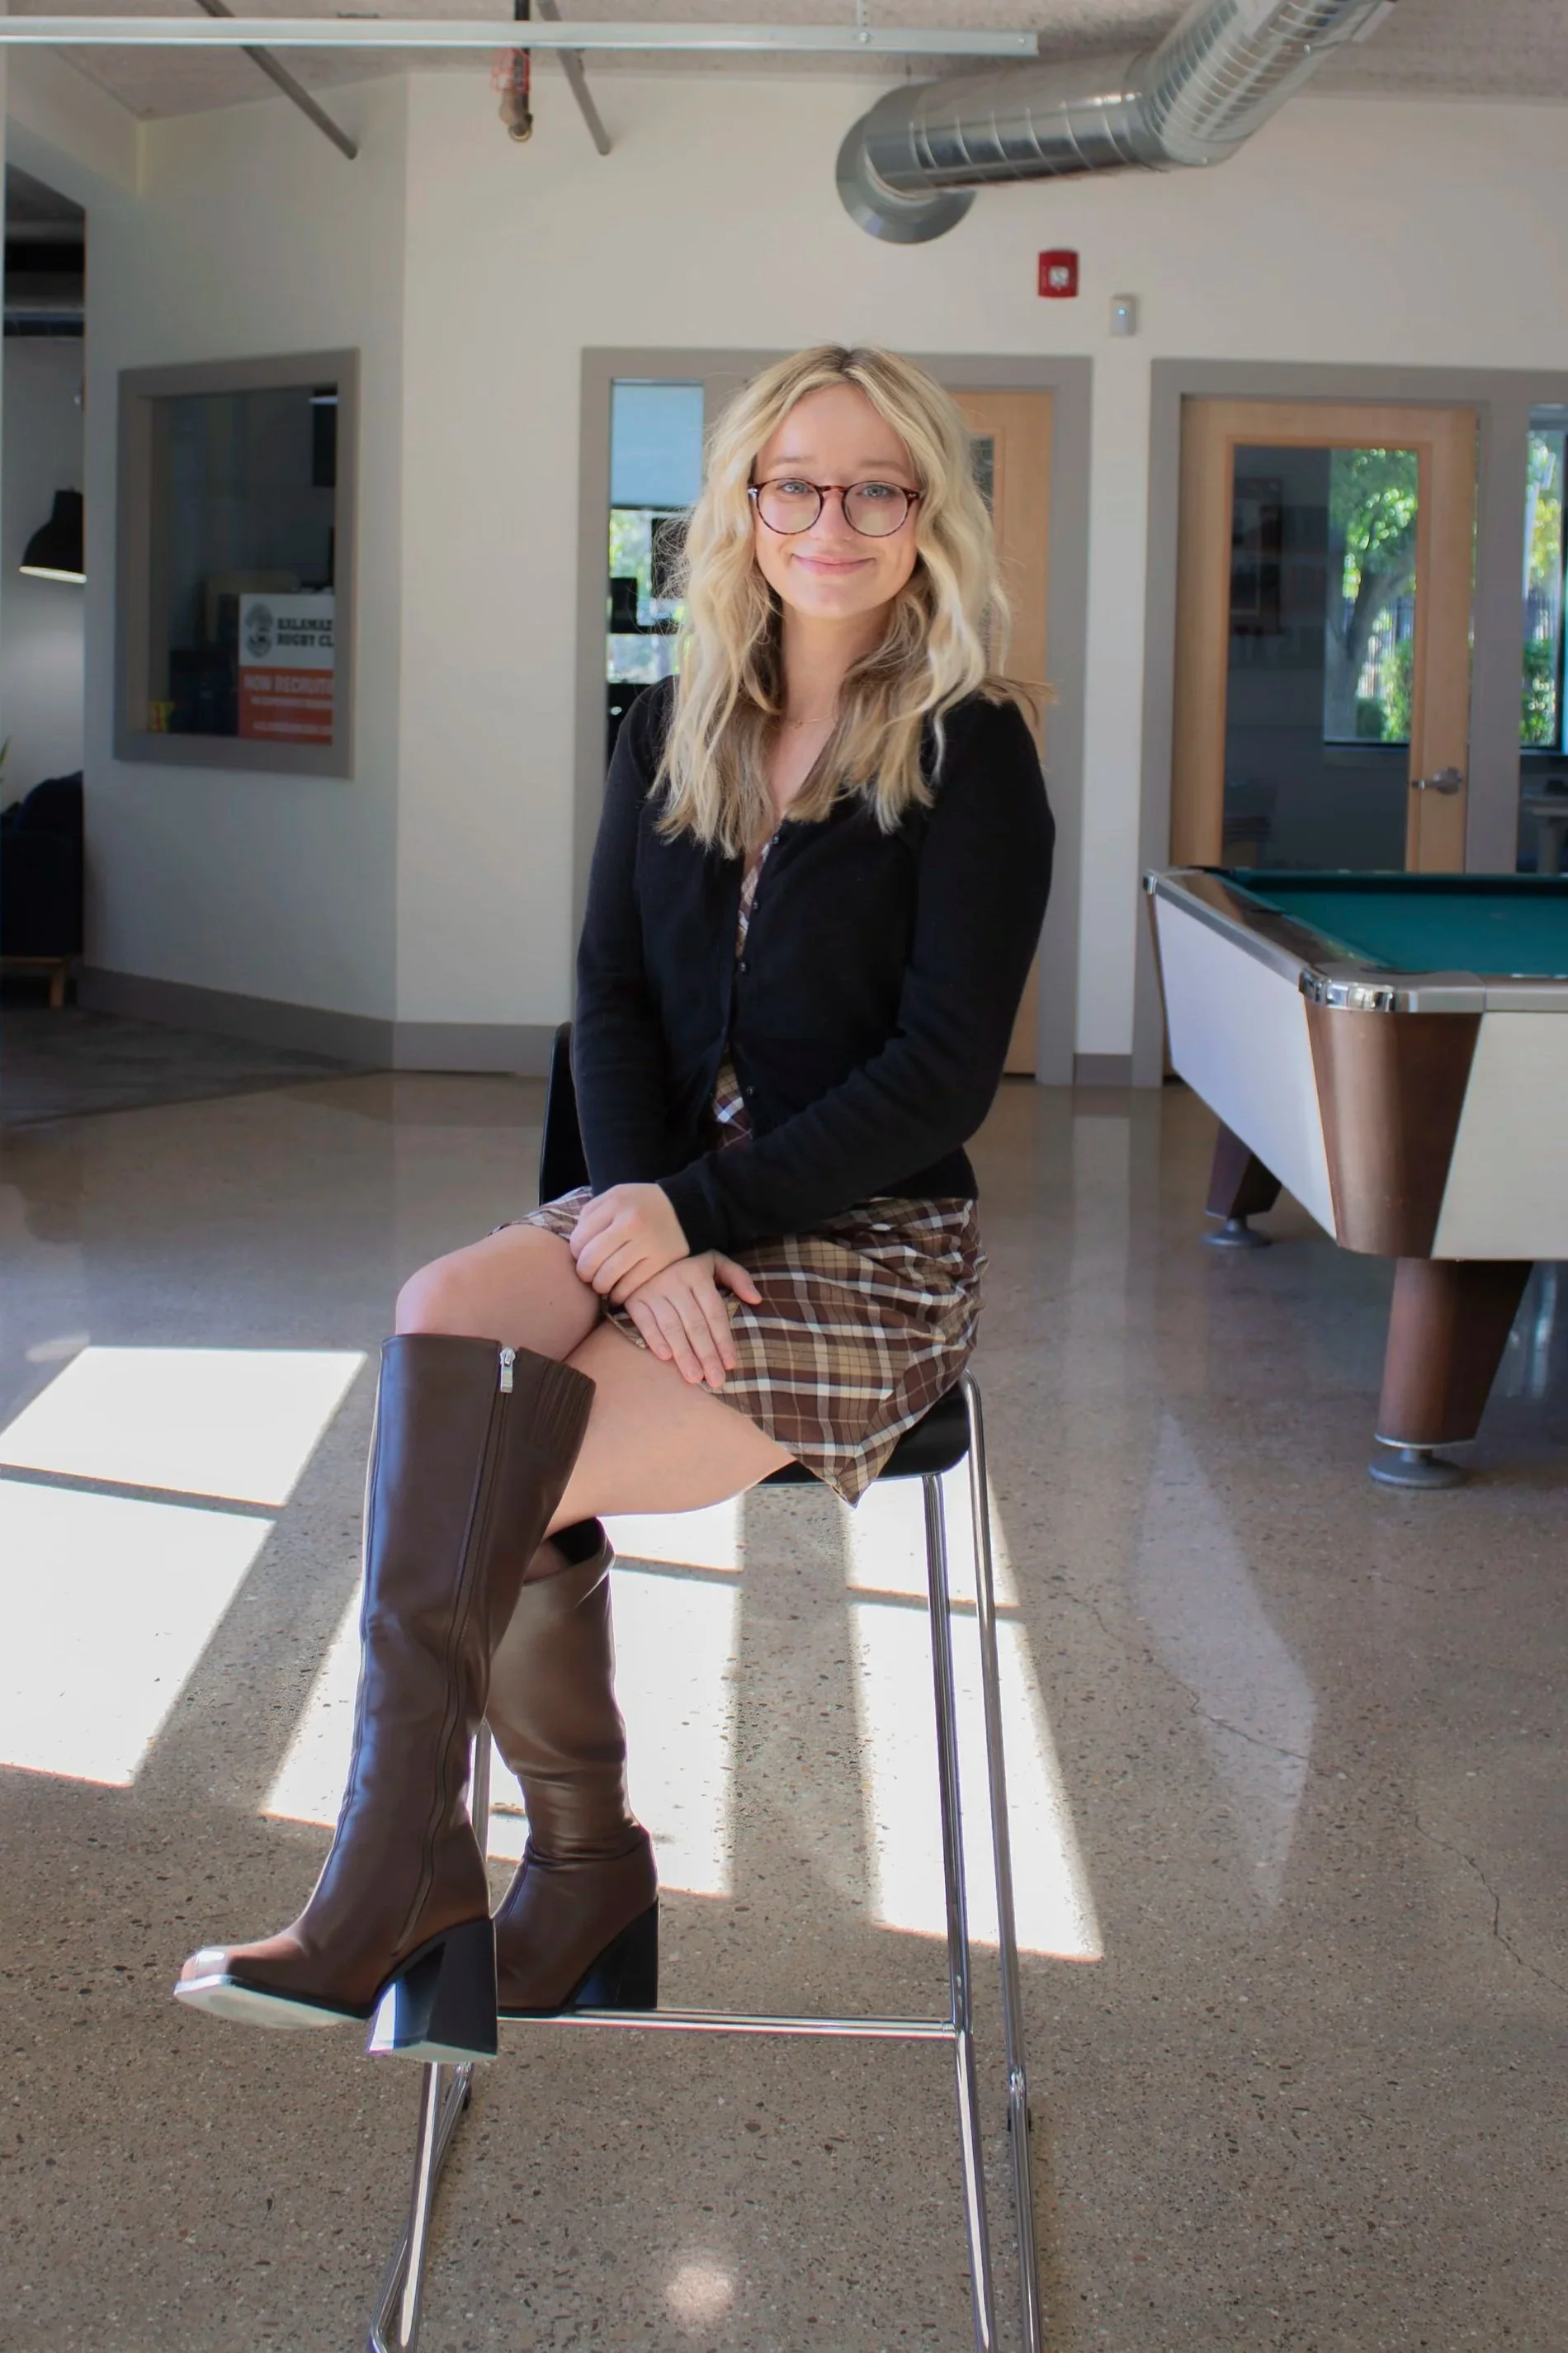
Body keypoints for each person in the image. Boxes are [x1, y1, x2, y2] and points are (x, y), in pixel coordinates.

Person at [174, 343, 1054, 2061]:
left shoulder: (972, 747)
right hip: (651, 1191)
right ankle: (537, 1865)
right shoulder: (671, 714)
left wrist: (695, 1222)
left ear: (926, 518)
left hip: (864, 1240)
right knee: (447, 1316)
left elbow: (943, 1076)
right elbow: (612, 994)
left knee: (494, 1464)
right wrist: (631, 1220)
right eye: (793, 482)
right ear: (739, 505)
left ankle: (443, 1873)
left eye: (876, 487)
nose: (831, 520)